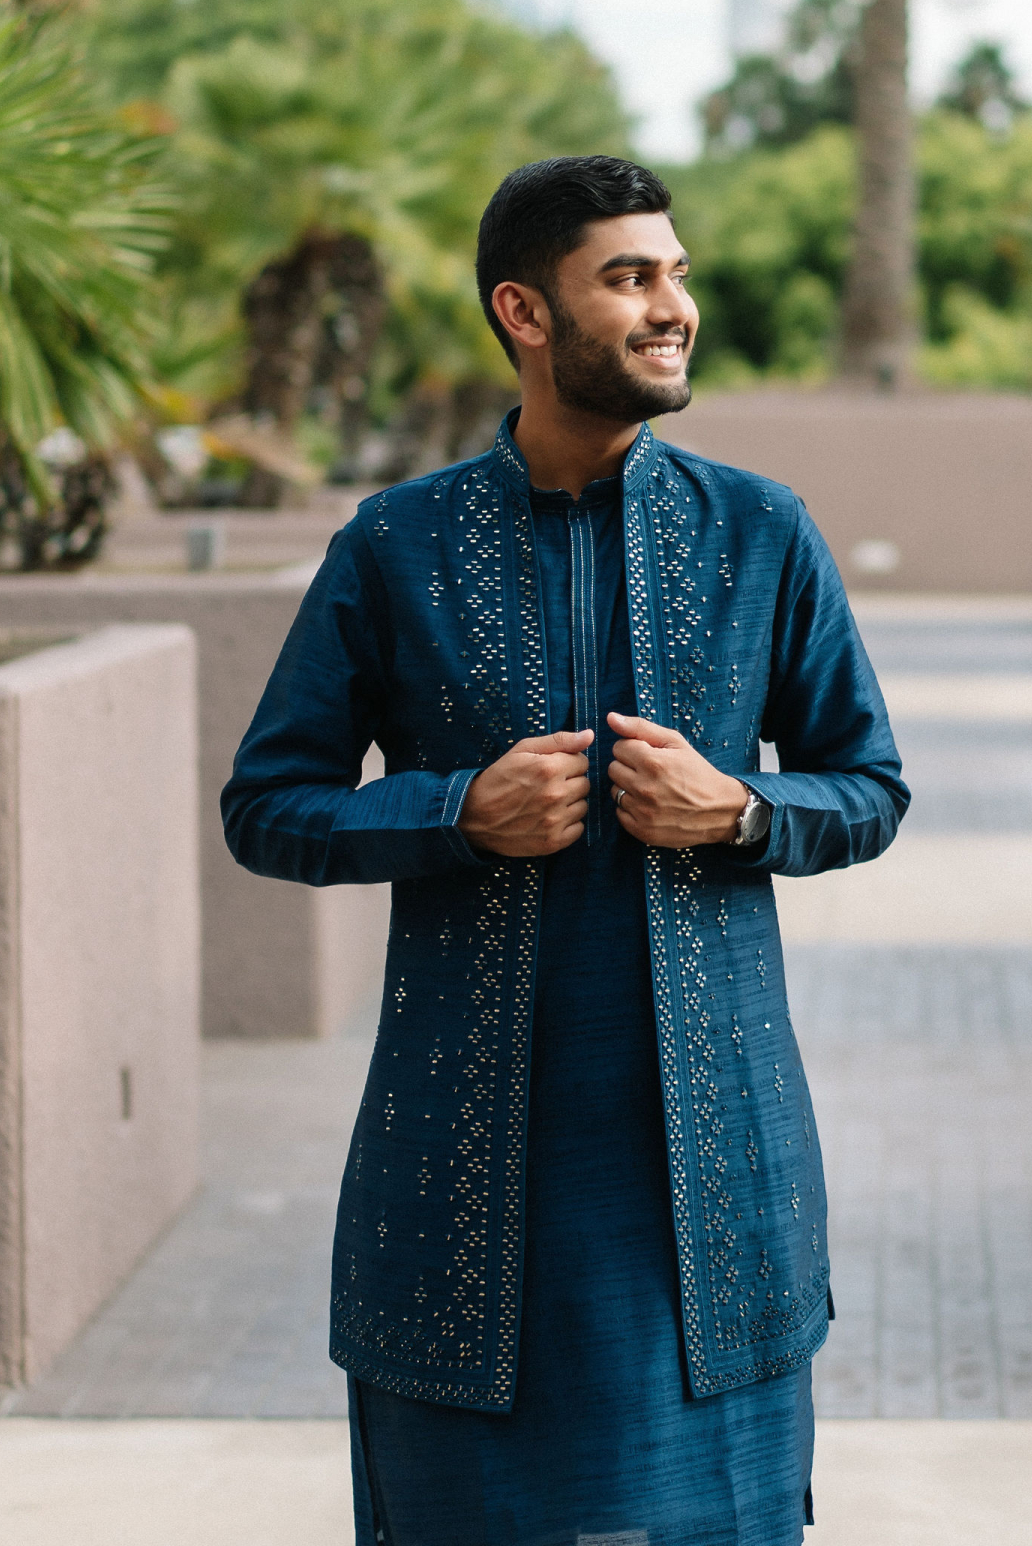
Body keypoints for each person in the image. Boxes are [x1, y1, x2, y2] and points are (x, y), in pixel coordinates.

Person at [222, 153, 908, 1546]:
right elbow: (267, 804)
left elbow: (872, 786)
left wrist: (747, 812)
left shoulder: (760, 534)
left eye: (678, 274)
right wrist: (448, 811)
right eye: (630, 277)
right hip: (462, 1194)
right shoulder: (394, 546)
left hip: (711, 1189)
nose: (674, 307)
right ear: (524, 314)